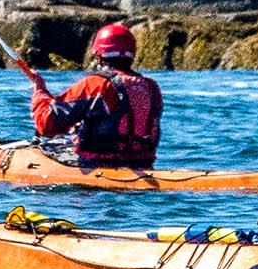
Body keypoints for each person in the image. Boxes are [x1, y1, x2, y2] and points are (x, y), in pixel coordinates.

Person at [30, 23, 162, 169]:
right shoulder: (151, 87)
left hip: (95, 164)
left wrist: (40, 92)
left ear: (99, 56)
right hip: (141, 163)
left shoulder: (96, 84)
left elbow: (46, 124)